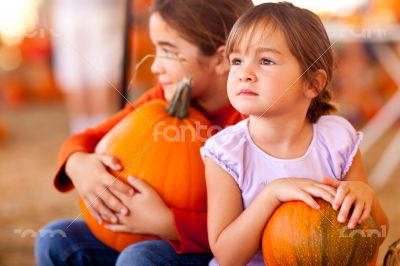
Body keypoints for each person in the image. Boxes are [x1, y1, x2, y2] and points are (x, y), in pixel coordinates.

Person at [35, 0, 254, 265]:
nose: (154, 66)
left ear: (220, 59)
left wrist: (167, 222)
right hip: (138, 237)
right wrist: (77, 163)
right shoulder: (162, 99)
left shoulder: (249, 122)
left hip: (207, 252)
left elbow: (250, 228)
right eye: (155, 49)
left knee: (139, 258)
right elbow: (87, 138)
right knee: (55, 239)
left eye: (168, 52)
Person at [201, 3, 389, 265]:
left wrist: (364, 196)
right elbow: (227, 256)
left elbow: (377, 233)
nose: (245, 73)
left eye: (265, 60)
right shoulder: (226, 153)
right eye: (237, 61)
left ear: (312, 83)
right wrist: (271, 195)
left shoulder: (336, 140)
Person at [52, 0, 126, 133]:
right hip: (69, 11)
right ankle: (83, 138)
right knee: (74, 74)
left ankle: (102, 138)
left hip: (104, 11)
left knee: (102, 74)